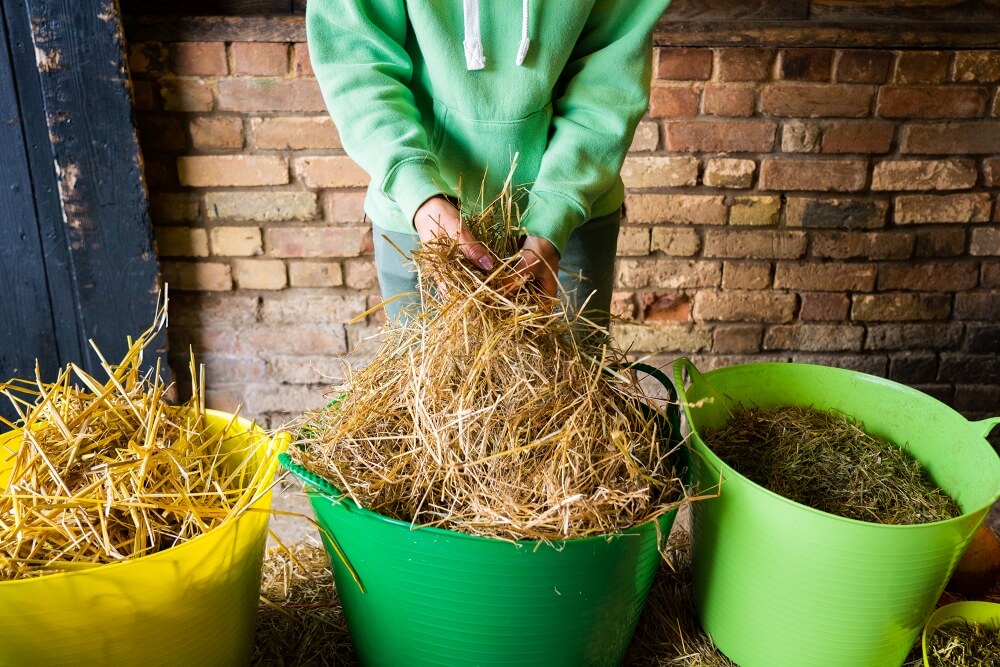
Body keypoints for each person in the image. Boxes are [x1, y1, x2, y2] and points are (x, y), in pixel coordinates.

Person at [307, 0, 671, 325]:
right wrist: (415, 188)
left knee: (570, 396)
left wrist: (554, 216)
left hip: (569, 220)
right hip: (422, 218)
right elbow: (356, 60)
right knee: (426, 396)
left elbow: (609, 82)